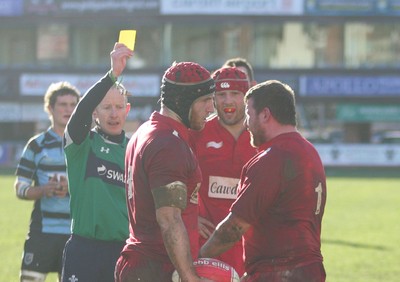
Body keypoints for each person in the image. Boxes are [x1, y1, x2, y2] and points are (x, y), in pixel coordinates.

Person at [199, 80, 327, 282]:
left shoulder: (272, 158)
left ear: (265, 114)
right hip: (310, 270)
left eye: (249, 115)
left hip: (278, 271)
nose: (246, 123)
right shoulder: (309, 152)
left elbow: (233, 229)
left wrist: (197, 261)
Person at [115, 62, 216, 282]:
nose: (211, 108)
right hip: (156, 267)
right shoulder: (168, 144)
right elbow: (169, 220)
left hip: (144, 263)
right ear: (182, 101)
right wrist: (190, 277)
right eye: (205, 101)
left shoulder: (149, 130)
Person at [61, 43, 132, 282]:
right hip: (84, 250)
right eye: (107, 107)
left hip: (124, 251)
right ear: (95, 112)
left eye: (119, 107)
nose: (114, 114)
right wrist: (112, 75)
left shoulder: (135, 149)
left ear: (127, 110)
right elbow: (79, 113)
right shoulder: (82, 144)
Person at [190, 67, 257, 276]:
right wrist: (189, 217)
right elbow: (174, 181)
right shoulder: (196, 134)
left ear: (246, 97)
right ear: (212, 98)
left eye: (235, 94)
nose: (228, 101)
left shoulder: (261, 135)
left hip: (251, 250)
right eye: (221, 94)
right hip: (207, 249)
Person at [14, 81, 80, 282]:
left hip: (76, 234)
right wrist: (44, 190)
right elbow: (20, 188)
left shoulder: (85, 144)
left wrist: (74, 189)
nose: (68, 109)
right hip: (42, 232)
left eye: (73, 104)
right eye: (63, 104)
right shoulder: (36, 145)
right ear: (50, 108)